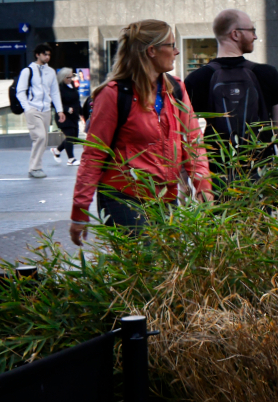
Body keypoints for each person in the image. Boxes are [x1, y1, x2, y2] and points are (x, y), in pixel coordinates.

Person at [71, 20, 211, 246]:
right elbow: (93, 155)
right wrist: (80, 210)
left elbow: (193, 140)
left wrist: (203, 187)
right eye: (171, 45)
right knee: (144, 267)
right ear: (151, 51)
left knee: (168, 268)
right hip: (124, 197)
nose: (176, 51)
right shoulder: (113, 94)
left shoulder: (176, 88)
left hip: (166, 197)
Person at [183, 9, 278, 189]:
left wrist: (186, 184)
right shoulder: (266, 74)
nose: (255, 36)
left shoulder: (196, 79)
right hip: (260, 173)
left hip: (218, 176)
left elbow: (185, 135)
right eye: (251, 30)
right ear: (235, 34)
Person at [15, 43, 64, 180]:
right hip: (33, 109)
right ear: (38, 54)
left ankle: (36, 167)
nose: (47, 57)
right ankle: (35, 168)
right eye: (44, 54)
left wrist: (59, 110)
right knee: (40, 137)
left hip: (46, 110)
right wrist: (28, 108)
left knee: (44, 140)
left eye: (49, 54)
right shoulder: (28, 71)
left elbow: (54, 92)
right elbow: (20, 91)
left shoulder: (51, 72)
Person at [54, 67, 85, 166]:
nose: (70, 79)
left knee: (74, 137)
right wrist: (66, 109)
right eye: (68, 77)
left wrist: (81, 113)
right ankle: (71, 159)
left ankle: (57, 150)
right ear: (62, 78)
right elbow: (55, 102)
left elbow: (77, 101)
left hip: (74, 116)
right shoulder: (59, 88)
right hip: (63, 116)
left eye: (71, 77)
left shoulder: (72, 86)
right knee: (70, 135)